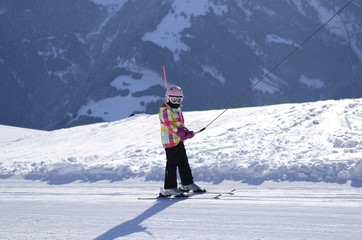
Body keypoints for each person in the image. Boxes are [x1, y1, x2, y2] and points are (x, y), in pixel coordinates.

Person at [159, 85, 206, 197]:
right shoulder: (165, 110)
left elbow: (179, 124)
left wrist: (186, 132)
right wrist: (182, 133)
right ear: (168, 98)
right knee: (172, 163)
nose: (176, 102)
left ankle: (187, 183)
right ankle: (169, 187)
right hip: (170, 141)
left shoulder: (177, 109)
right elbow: (170, 126)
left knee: (183, 161)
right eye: (174, 100)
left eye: (179, 100)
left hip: (178, 140)